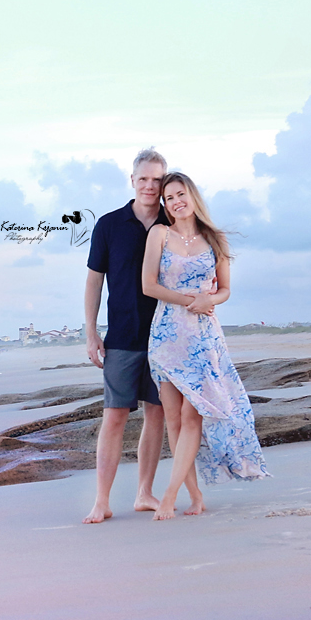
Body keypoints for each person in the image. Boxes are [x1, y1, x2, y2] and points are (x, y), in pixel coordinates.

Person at [141, 171, 269, 520]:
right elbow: (148, 285)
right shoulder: (159, 234)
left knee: (192, 414)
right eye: (168, 198)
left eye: (180, 194)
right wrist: (188, 299)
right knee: (174, 420)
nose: (175, 202)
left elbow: (225, 289)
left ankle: (168, 497)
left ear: (193, 196)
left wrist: (209, 299)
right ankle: (195, 497)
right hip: (167, 336)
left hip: (203, 338)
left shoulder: (215, 240)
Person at [81, 148, 170, 524]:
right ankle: (101, 501)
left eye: (157, 180)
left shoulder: (175, 222)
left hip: (166, 337)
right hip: (120, 337)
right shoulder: (109, 224)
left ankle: (144, 493)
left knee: (157, 414)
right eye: (144, 179)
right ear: (132, 181)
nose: (150, 186)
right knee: (114, 416)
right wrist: (91, 333)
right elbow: (94, 281)